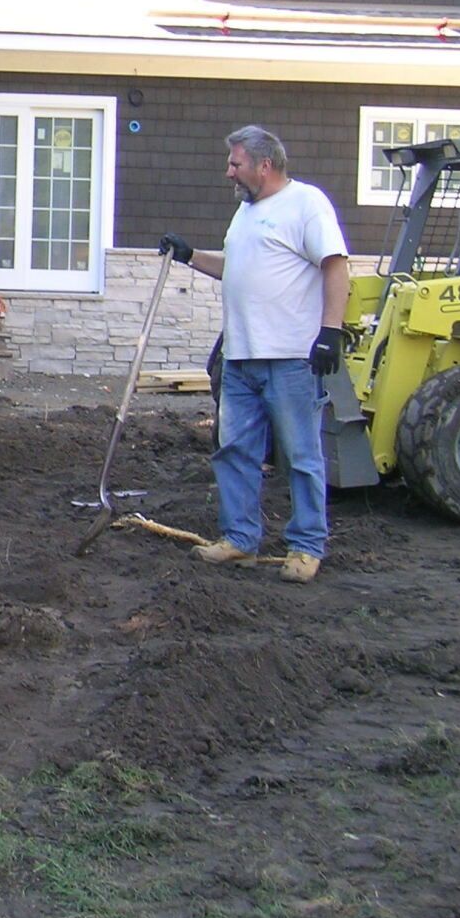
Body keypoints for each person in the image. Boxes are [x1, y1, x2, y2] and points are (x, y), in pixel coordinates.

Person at [159, 124, 350, 584]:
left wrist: (330, 332)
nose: (228, 172)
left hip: (288, 358)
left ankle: (305, 546)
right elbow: (236, 269)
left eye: (235, 163)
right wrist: (189, 256)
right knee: (234, 452)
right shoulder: (245, 213)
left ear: (264, 165)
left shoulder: (307, 204)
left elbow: (335, 264)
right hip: (241, 356)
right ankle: (240, 540)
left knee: (301, 455)